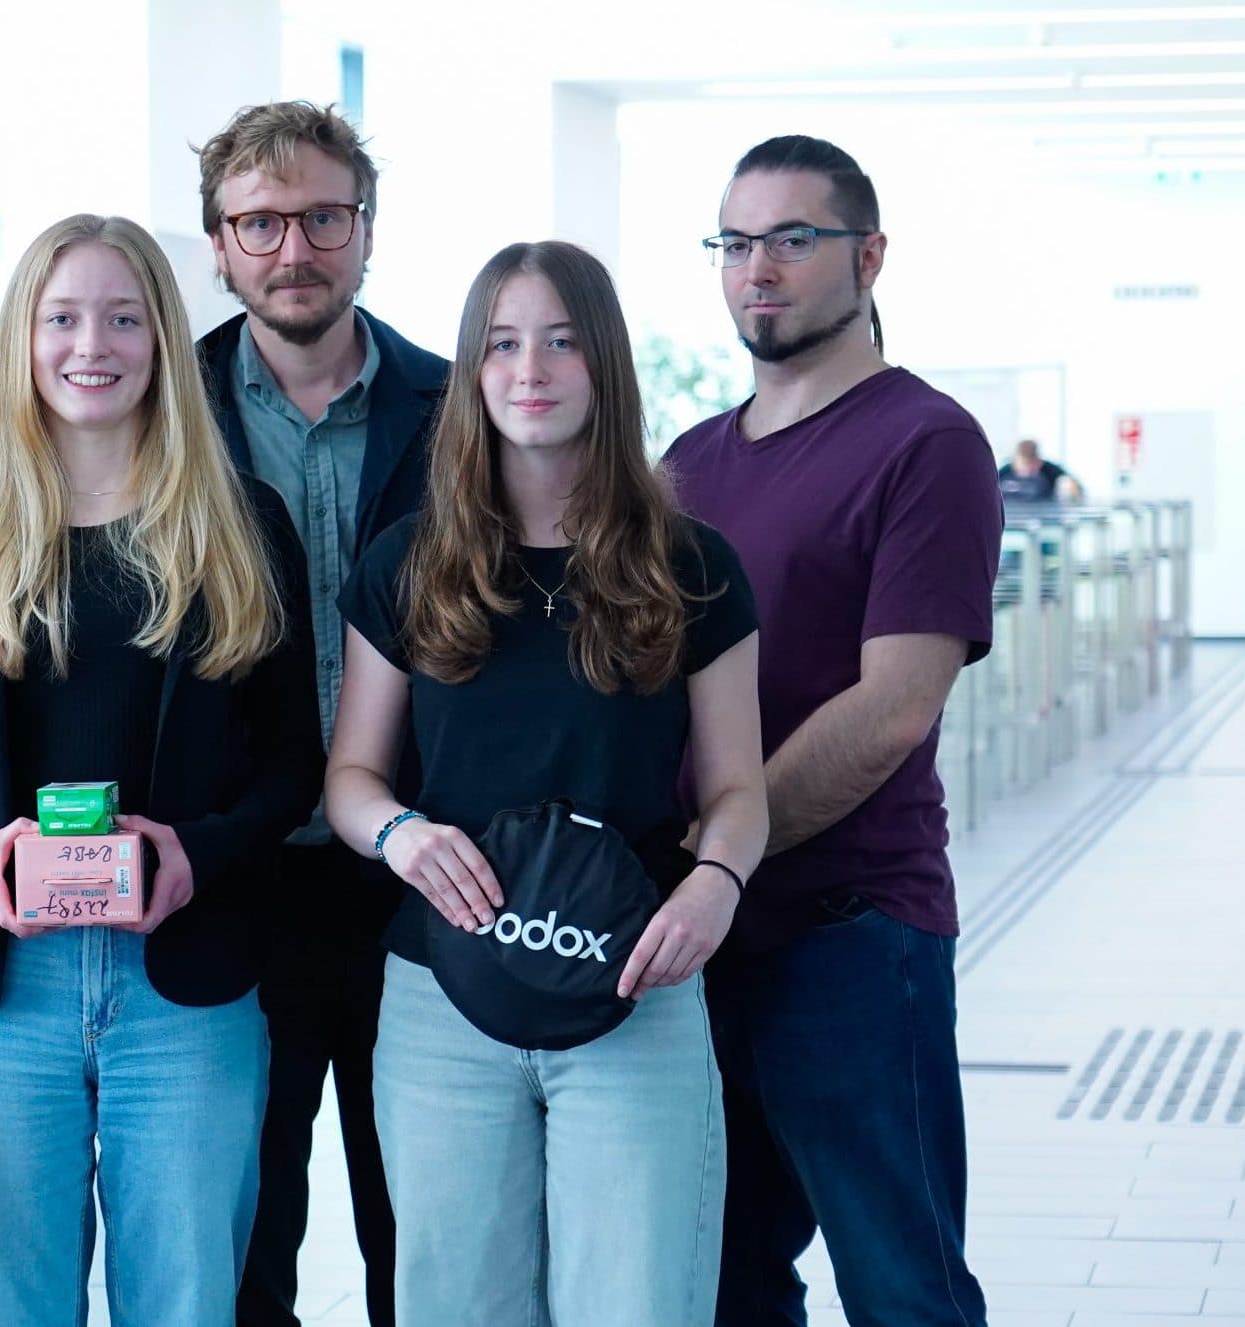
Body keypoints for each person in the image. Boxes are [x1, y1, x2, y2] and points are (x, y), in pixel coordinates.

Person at [325, 239, 767, 1324]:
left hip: (634, 991)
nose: (531, 369)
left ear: (603, 367)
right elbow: (349, 775)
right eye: (504, 344)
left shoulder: (690, 563)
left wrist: (714, 882)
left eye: (561, 343)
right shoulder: (406, 561)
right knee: (455, 1304)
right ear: (472, 371)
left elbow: (737, 789)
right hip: (444, 1002)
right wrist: (400, 836)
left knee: (636, 1302)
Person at [0, 213, 322, 1324]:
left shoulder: (243, 528)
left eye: (124, 317)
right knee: (8, 1307)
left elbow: (295, 765)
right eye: (61, 317)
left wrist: (198, 849)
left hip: (183, 989)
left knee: (184, 1304)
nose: (92, 343)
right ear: (23, 338)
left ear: (162, 341)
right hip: (8, 996)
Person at [665, 134, 999, 1326]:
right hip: (701, 942)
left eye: (791, 239)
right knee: (720, 1281)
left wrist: (717, 853)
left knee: (899, 1282)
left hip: (849, 936)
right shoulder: (685, 464)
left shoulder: (925, 442)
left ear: (866, 255)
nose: (757, 268)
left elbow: (891, 707)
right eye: (734, 242)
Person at [193, 100, 445, 1327]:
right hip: (236, 871)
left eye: (321, 218)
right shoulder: (160, 411)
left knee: (425, 1221)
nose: (293, 249)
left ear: (364, 229)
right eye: (259, 223)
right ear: (217, 242)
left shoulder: (459, 412)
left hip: (424, 866)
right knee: (250, 1230)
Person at [997, 438, 1080, 505]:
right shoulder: (1003, 472)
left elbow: (1073, 485)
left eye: (1031, 464)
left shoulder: (1049, 471)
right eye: (1024, 464)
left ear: (1038, 461)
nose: (1027, 469)